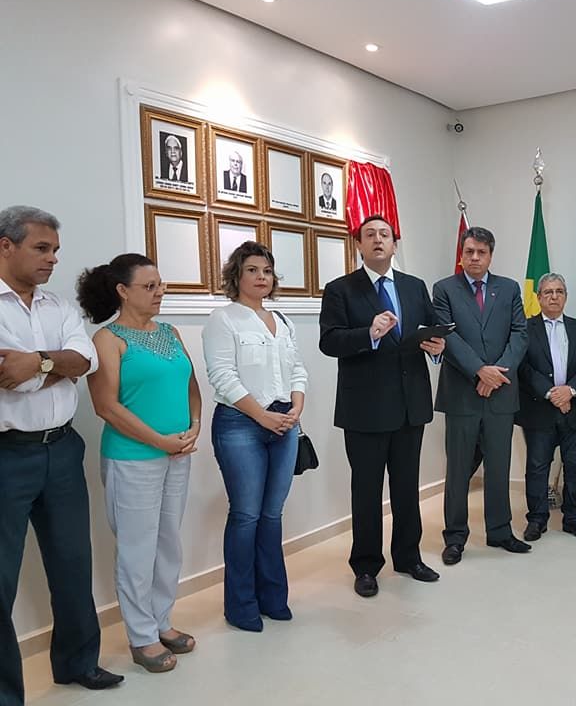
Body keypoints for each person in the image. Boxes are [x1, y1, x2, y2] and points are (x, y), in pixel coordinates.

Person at [0, 205, 123, 704]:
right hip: (7, 455)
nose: (52, 258)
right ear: (5, 246)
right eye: (41, 248)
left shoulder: (59, 307)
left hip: (62, 449)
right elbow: (5, 375)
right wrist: (55, 367)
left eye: (55, 249)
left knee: (73, 562)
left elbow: (86, 358)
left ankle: (77, 663)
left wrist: (37, 363)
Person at [77, 254, 201, 673]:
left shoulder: (170, 331)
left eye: (160, 284)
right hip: (132, 459)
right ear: (122, 291)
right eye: (150, 286)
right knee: (137, 548)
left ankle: (161, 621)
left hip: (176, 456)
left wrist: (194, 426)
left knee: (168, 542)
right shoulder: (107, 339)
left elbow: (191, 386)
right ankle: (142, 636)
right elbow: (106, 406)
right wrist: (159, 441)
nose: (160, 292)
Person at [319, 215, 445, 597]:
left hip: (410, 406)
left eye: (385, 235)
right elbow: (329, 342)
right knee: (367, 491)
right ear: (358, 244)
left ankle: (408, 557)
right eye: (370, 235)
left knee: (407, 488)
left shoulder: (414, 286)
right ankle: (366, 566)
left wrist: (437, 347)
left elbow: (430, 330)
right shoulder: (341, 289)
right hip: (365, 409)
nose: (378, 240)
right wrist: (369, 334)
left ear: (394, 244)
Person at [201, 241, 307, 631]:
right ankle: (241, 605)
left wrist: (296, 407)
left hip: (284, 423)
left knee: (272, 514)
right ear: (237, 276)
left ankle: (273, 598)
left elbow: (297, 369)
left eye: (267, 270)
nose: (261, 277)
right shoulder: (223, 319)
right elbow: (222, 377)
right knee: (246, 515)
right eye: (252, 270)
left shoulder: (282, 320)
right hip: (241, 424)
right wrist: (261, 416)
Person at [433, 226, 529, 565]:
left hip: (500, 392)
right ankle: (455, 537)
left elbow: (520, 334)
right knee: (459, 470)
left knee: (499, 467)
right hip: (462, 394)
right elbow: (448, 336)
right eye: (470, 251)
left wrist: (496, 373)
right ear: (461, 254)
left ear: (491, 255)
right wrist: (478, 370)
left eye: (482, 252)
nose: (475, 258)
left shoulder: (509, 288)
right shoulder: (444, 289)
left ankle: (500, 531)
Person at [515, 273, 576, 542]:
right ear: (538, 297)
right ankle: (537, 520)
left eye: (559, 291)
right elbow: (523, 367)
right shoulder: (524, 328)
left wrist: (569, 392)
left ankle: (574, 519)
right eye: (548, 292)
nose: (554, 296)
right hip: (539, 409)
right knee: (537, 467)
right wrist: (552, 393)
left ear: (565, 296)